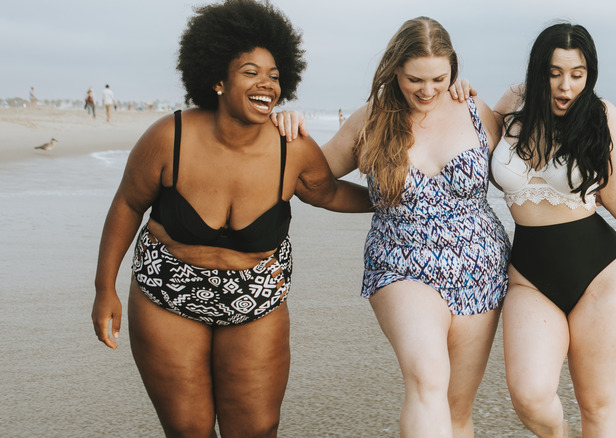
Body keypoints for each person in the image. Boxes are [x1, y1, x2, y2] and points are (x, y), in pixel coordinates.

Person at [90, 1, 371, 437]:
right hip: (167, 291)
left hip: (256, 297)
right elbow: (127, 204)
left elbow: (329, 193)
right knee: (189, 429)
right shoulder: (170, 137)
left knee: (257, 429)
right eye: (250, 72)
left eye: (275, 75)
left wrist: (395, 199)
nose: (266, 84)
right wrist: (103, 288)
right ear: (218, 80)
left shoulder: (290, 149)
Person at [289, 16, 511, 437]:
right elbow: (313, 179)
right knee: (427, 380)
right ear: (395, 70)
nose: (428, 91)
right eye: (415, 80)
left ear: (454, 70)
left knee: (456, 411)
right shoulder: (370, 120)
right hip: (400, 264)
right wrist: (289, 128)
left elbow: (522, 173)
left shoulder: (476, 111)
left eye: (439, 78)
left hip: (482, 270)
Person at [483, 23, 616, 437]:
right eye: (555, 73)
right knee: (530, 396)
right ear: (538, 69)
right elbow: (469, 144)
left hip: (599, 274)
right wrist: (461, 94)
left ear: (589, 73)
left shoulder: (601, 115)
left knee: (596, 405)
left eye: (577, 74)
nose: (565, 86)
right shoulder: (513, 102)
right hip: (528, 276)